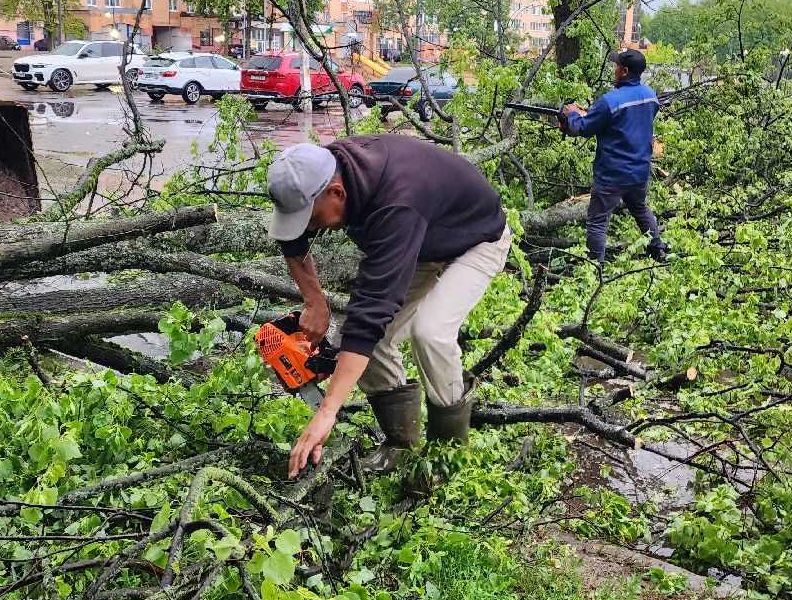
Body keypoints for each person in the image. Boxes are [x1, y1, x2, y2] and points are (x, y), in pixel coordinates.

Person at [268, 135, 512, 478]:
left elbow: (371, 312)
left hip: (476, 239)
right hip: (423, 241)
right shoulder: (321, 172)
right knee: (374, 341)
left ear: (337, 192)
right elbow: (291, 237)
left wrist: (327, 412)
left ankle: (447, 453)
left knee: (430, 330)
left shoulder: (396, 202)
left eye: (311, 217)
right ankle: (400, 445)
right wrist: (314, 301)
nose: (308, 226)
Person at [559, 47, 667, 262]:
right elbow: (624, 120)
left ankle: (594, 267)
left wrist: (571, 115)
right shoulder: (650, 96)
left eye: (617, 66)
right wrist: (590, 114)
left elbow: (583, 129)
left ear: (624, 71)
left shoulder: (610, 101)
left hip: (612, 174)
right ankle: (658, 250)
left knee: (598, 221)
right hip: (639, 170)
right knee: (641, 209)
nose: (614, 69)